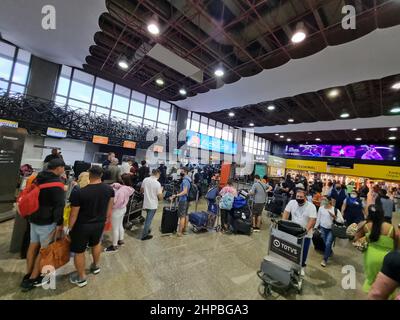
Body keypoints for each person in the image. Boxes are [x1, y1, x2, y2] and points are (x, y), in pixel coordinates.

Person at [20, 159, 66, 292]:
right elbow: (59, 206)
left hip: (33, 218)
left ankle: (28, 272)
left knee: (32, 245)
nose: (64, 170)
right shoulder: (57, 184)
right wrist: (59, 223)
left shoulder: (37, 178)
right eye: (63, 168)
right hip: (47, 222)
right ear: (58, 168)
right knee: (44, 251)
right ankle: (33, 278)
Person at [67, 166, 115, 287]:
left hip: (82, 226)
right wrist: (105, 220)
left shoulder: (79, 192)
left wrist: (70, 228)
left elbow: (73, 214)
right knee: (96, 244)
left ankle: (82, 277)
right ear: (101, 175)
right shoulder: (109, 190)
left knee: (79, 251)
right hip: (99, 223)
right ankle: (95, 266)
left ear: (89, 174)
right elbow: (110, 209)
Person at [354, 204, 397, 294]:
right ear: (382, 214)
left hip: (370, 256)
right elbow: (396, 246)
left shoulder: (366, 226)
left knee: (371, 280)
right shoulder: (390, 228)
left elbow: (356, 239)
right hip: (387, 257)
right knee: (385, 282)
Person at [282, 189, 317, 275]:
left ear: (305, 197)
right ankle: (291, 265)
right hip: (293, 232)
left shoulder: (311, 206)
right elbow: (286, 213)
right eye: (297, 196)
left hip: (305, 235)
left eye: (301, 197)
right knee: (292, 250)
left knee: (303, 253)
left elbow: (312, 220)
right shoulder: (292, 203)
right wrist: (283, 224)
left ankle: (302, 267)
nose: (299, 198)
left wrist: (305, 230)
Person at [105, 174, 134, 252]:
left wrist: (111, 206)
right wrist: (114, 185)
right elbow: (119, 186)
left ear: (122, 180)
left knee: (115, 228)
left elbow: (117, 202)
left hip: (117, 210)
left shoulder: (121, 191)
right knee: (120, 225)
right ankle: (121, 240)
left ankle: (114, 246)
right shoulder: (128, 188)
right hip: (123, 209)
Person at [315, 196, 344, 267]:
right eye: (322, 200)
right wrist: (315, 226)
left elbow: (342, 221)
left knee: (328, 243)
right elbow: (318, 218)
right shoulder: (321, 208)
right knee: (326, 243)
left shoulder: (335, 210)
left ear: (329, 201)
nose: (323, 201)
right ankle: (329, 251)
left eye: (324, 200)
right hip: (323, 228)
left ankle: (325, 259)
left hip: (332, 229)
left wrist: (335, 217)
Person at [140, 169, 163, 240]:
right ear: (157, 174)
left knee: (148, 218)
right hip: (153, 204)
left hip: (146, 203)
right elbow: (160, 197)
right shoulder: (157, 183)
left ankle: (147, 229)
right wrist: (161, 191)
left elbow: (141, 190)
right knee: (148, 220)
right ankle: (144, 235)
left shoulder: (145, 180)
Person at [171, 168, 191, 237]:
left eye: (182, 171)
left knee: (182, 216)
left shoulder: (185, 180)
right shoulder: (189, 179)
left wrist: (176, 195)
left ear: (185, 172)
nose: (180, 172)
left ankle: (180, 232)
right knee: (186, 214)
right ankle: (184, 229)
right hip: (187, 200)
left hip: (183, 200)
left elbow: (185, 191)